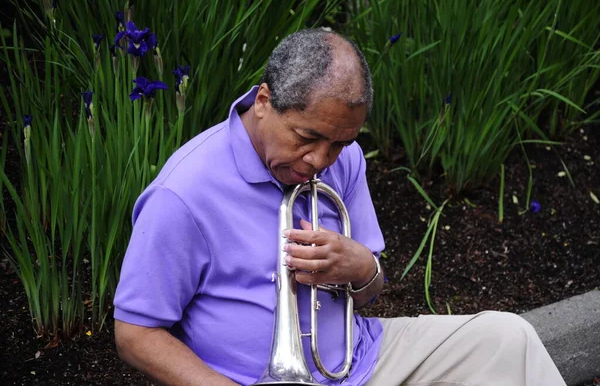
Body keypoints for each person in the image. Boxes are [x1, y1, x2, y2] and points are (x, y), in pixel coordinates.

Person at [113, 28, 566, 386]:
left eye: (340, 143)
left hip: (360, 361)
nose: (320, 161)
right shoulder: (183, 193)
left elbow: (369, 292)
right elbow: (135, 335)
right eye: (307, 138)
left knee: (509, 339)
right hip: (254, 380)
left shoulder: (342, 158)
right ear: (265, 100)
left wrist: (362, 267)